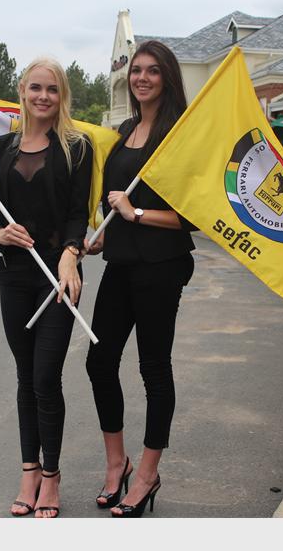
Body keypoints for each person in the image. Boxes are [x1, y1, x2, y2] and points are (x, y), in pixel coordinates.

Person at [84, 40, 197, 518]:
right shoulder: (125, 131)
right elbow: (114, 203)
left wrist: (136, 213)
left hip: (161, 266)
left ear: (167, 78)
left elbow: (193, 217)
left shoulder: (179, 135)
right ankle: (118, 464)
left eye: (152, 71)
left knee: (153, 367)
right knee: (99, 361)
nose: (142, 78)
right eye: (136, 70)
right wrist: (104, 236)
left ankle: (148, 474)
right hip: (121, 262)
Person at [0, 57, 93, 518]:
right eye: (36, 88)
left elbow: (79, 213)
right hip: (15, 277)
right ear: (22, 91)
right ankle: (29, 472)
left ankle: (51, 476)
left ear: (62, 96)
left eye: (53, 89)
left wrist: (71, 252)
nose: (44, 96)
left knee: (46, 377)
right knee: (26, 377)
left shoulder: (76, 148)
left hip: (59, 279)